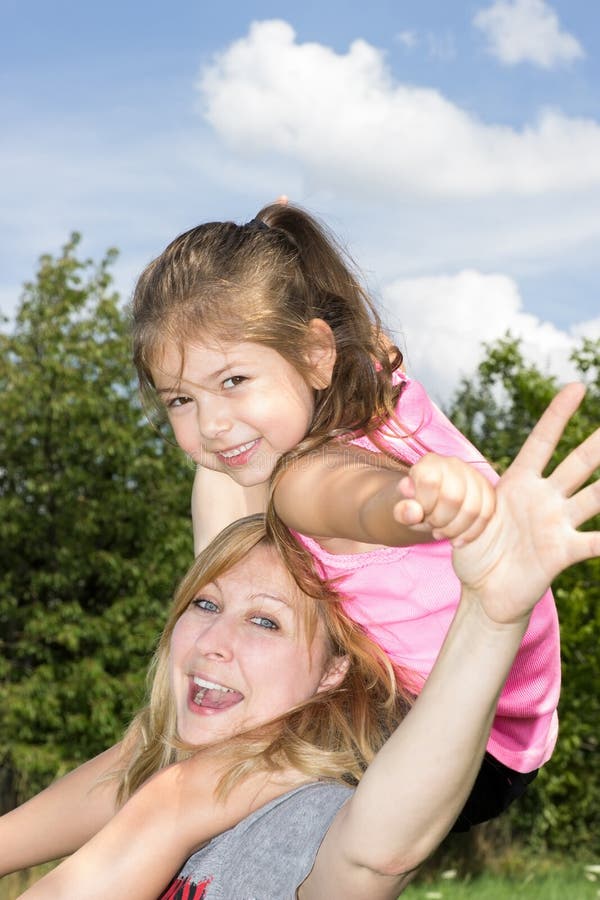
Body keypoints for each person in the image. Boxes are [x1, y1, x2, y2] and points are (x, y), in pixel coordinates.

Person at [8, 382, 600, 899]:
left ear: (332, 670)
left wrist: (490, 613)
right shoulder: (181, 749)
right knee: (156, 745)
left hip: (481, 742)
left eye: (266, 623)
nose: (213, 639)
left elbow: (374, 855)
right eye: (203, 605)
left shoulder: (307, 823)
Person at [131, 201, 560, 825]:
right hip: (521, 724)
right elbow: (344, 313)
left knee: (170, 783)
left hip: (454, 742)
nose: (212, 421)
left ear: (315, 354)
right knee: (223, 459)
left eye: (232, 380)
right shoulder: (384, 380)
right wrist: (278, 238)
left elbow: (363, 501)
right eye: (179, 399)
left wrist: (421, 503)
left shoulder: (304, 482)